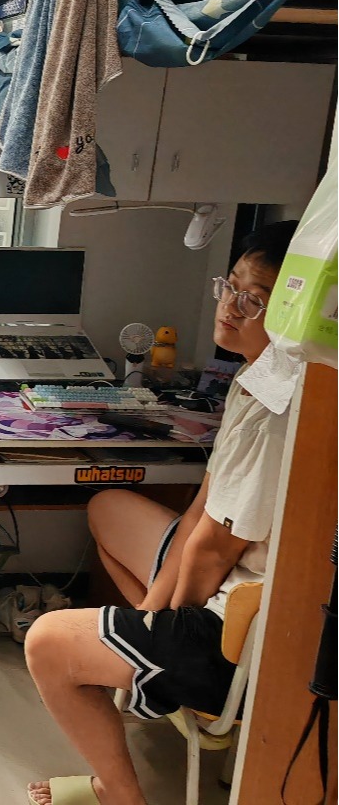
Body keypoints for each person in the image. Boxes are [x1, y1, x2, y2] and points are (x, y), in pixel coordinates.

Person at [25, 221, 299, 805]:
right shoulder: (256, 374)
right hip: (227, 570)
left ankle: (118, 791)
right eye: (231, 287)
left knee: (46, 642)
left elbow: (214, 550)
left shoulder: (281, 408)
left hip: (237, 623)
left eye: (253, 300)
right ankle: (143, 664)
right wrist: (151, 610)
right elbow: (202, 510)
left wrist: (165, 620)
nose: (230, 307)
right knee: (108, 508)